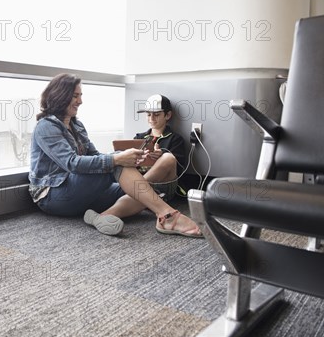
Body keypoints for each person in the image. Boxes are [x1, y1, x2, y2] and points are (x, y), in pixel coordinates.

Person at [28, 73, 202, 237]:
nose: (80, 101)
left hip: (80, 191)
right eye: (75, 96)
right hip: (53, 194)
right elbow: (72, 163)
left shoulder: (77, 125)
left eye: (80, 95)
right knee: (120, 164)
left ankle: (100, 217)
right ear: (60, 95)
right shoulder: (46, 126)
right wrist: (118, 158)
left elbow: (94, 155)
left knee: (146, 192)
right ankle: (167, 216)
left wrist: (127, 159)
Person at [134, 94, 186, 203]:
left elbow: (180, 170)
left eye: (156, 114)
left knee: (168, 158)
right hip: (139, 179)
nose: (151, 118)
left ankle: (133, 190)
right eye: (148, 115)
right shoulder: (139, 138)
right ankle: (134, 191)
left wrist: (161, 157)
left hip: (162, 185)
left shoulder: (175, 139)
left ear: (167, 115)